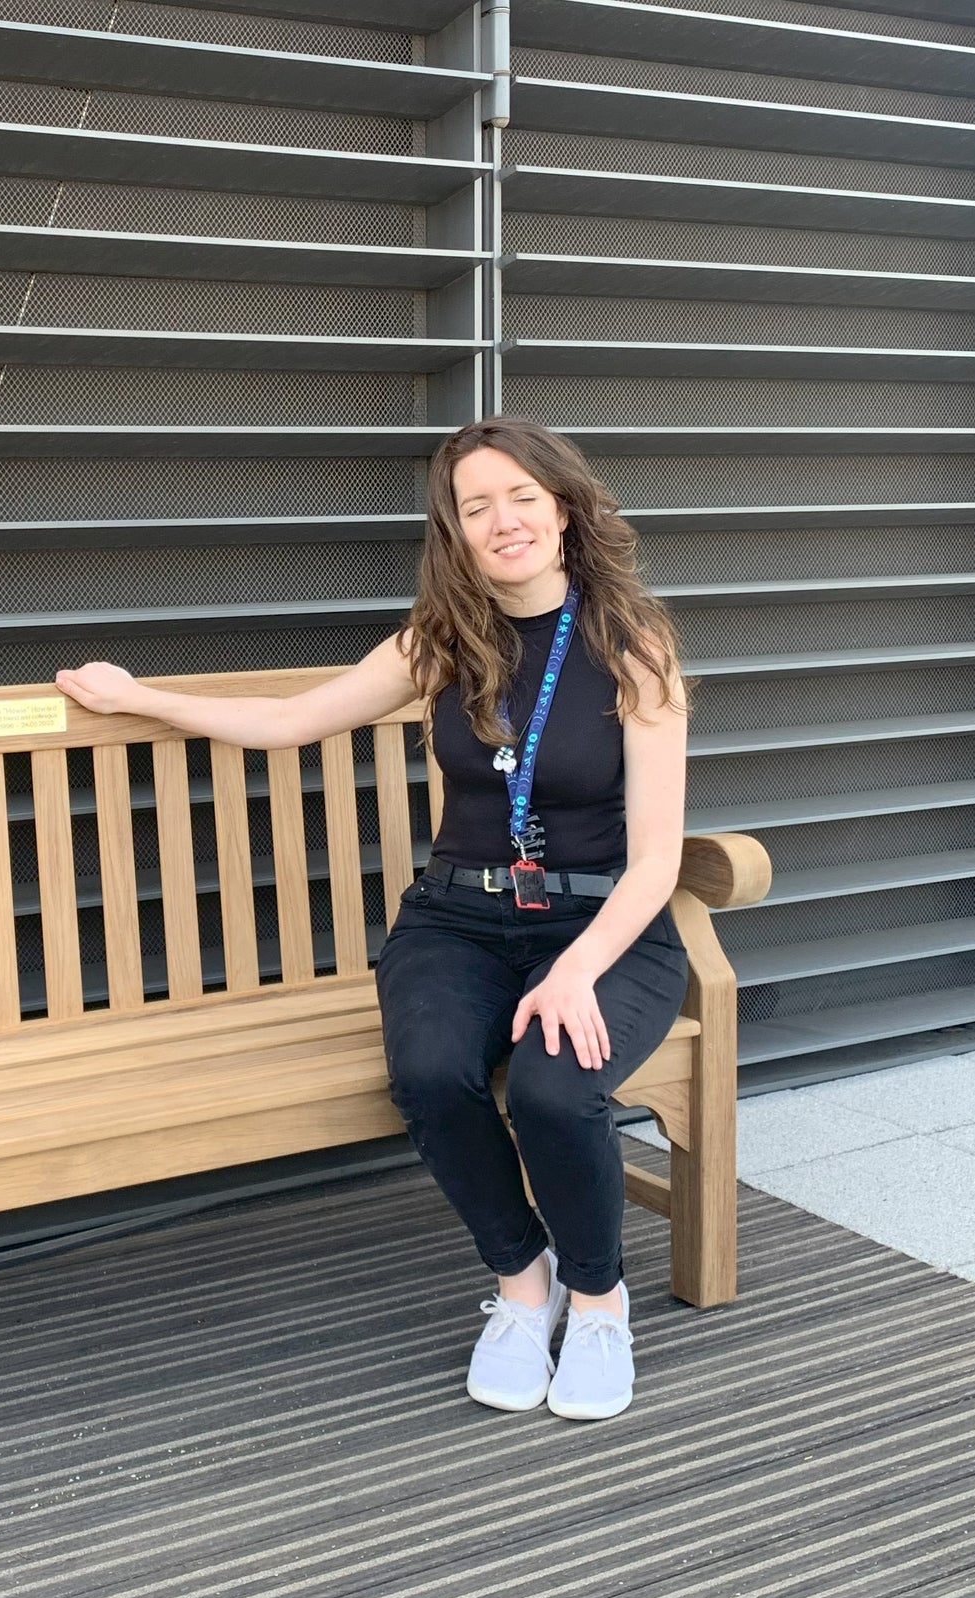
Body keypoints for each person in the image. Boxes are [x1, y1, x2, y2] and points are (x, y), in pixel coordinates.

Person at [56, 417, 690, 1423]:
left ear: (562, 508)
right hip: (457, 921)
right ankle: (523, 1283)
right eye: (475, 506)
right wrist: (141, 697)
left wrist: (574, 970)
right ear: (456, 531)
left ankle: (599, 1298)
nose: (502, 520)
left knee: (553, 1089)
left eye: (521, 495)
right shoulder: (438, 640)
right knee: (433, 1073)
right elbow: (288, 720)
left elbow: (656, 855)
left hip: (601, 928)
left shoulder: (632, 645)